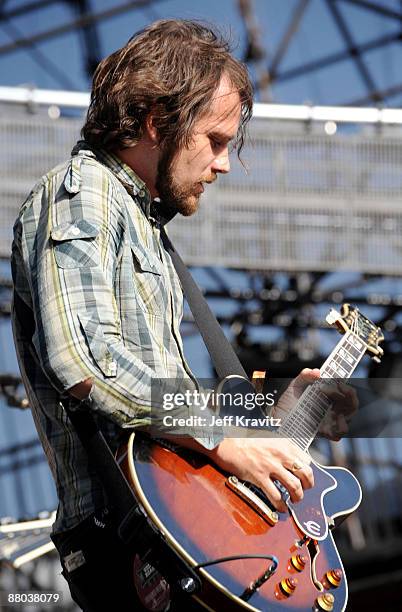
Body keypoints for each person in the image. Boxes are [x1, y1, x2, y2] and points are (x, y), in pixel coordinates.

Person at [11, 19, 356, 612]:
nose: (222, 165)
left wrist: (267, 407)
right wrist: (225, 439)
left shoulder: (143, 225)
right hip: (128, 537)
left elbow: (161, 404)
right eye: (216, 141)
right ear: (156, 123)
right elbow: (84, 359)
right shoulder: (84, 190)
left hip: (173, 527)